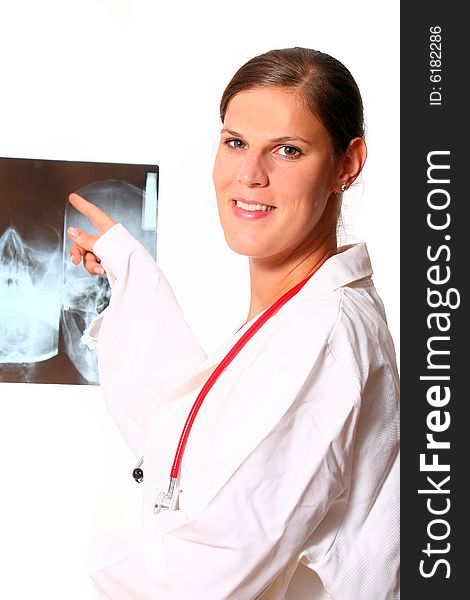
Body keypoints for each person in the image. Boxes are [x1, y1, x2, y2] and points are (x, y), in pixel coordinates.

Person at [67, 47, 399, 599]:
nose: (249, 175)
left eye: (287, 151)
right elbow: (185, 455)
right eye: (235, 142)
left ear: (347, 164)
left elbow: (209, 570)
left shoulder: (321, 338)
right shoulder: (291, 316)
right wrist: (130, 280)